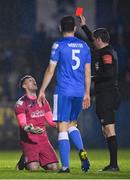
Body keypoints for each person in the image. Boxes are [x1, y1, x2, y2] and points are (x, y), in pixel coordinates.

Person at [38, 16, 91, 173]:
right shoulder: (84, 46)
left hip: (63, 91)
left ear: (60, 28)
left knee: (62, 127)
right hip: (79, 92)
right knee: (72, 124)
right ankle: (82, 151)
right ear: (75, 29)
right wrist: (87, 93)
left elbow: (50, 69)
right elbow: (88, 72)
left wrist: (41, 90)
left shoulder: (59, 45)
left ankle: (66, 167)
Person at [79, 16, 120, 171]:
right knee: (105, 130)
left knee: (109, 129)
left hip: (108, 95)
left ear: (100, 40)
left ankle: (114, 165)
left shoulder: (106, 54)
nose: (93, 41)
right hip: (104, 95)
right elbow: (91, 38)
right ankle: (112, 163)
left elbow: (109, 74)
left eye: (95, 39)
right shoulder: (103, 50)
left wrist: (90, 77)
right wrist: (84, 26)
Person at [15, 75, 59, 171]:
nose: (34, 81)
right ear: (24, 86)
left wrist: (62, 125)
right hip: (29, 141)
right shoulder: (21, 103)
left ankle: (29, 158)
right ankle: (24, 161)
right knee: (34, 168)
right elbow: (22, 123)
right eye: (30, 80)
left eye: (34, 80)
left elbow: (51, 121)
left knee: (55, 168)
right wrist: (31, 129)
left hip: (44, 140)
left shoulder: (43, 101)